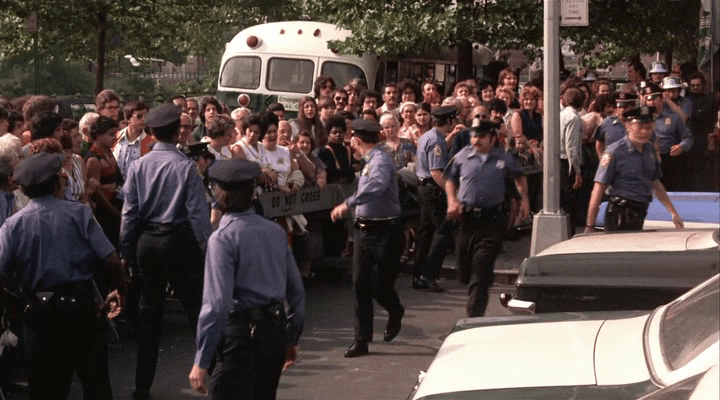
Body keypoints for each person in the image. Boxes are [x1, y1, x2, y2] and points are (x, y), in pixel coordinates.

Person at [0, 152, 128, 399]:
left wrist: (14, 305)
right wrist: (119, 289)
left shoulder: (12, 226)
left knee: (44, 389)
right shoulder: (79, 214)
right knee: (96, 384)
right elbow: (111, 259)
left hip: (39, 315)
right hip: (81, 310)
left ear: (24, 189)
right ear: (57, 183)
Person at [188, 159, 305, 398]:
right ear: (252, 192)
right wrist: (291, 338)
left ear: (218, 194)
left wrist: (202, 359)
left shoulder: (222, 238)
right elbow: (296, 292)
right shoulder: (275, 231)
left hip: (241, 336)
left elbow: (216, 305)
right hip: (273, 332)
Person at [120, 104, 211, 399]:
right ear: (176, 134)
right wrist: (207, 251)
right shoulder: (185, 167)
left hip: (148, 241)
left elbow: (129, 213)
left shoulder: (138, 166)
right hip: (179, 241)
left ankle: (142, 385)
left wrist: (126, 251)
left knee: (150, 314)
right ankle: (215, 373)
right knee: (196, 310)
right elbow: (198, 215)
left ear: (152, 133)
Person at [330, 119, 405, 358]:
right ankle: (361, 339)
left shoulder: (380, 161)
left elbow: (376, 187)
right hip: (364, 230)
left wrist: (348, 203)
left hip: (385, 232)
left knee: (380, 285)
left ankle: (394, 309)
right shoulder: (369, 161)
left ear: (356, 140)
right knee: (360, 285)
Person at [444, 121, 528, 317]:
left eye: (481, 136)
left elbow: (519, 176)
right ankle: (478, 283)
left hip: (492, 221)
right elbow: (450, 179)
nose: (476, 140)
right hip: (467, 220)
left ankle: (474, 314)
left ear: (492, 138)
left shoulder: (503, 157)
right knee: (464, 269)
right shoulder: (462, 156)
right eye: (474, 136)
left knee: (481, 266)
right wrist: (452, 201)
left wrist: (524, 199)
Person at [586, 106, 684, 232]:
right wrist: (590, 225)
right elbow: (598, 189)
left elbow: (655, 182)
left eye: (649, 127)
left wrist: (673, 212)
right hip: (620, 213)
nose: (645, 132)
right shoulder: (614, 152)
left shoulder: (650, 150)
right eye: (640, 127)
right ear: (628, 126)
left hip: (640, 211)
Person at [413, 106, 457, 292]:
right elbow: (436, 171)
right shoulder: (436, 141)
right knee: (442, 232)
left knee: (425, 232)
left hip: (424, 188)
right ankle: (429, 275)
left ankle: (418, 275)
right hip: (433, 189)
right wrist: (451, 194)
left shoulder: (428, 136)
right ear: (449, 121)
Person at [641, 82, 693, 191]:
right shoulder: (639, 119)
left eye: (654, 99)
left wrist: (681, 147)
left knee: (670, 192)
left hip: (668, 160)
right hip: (646, 160)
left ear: (661, 99)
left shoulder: (674, 117)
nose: (650, 102)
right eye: (648, 99)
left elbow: (688, 137)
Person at [559, 88, 585, 233]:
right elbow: (571, 147)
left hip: (559, 161)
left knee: (563, 201)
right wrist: (577, 171)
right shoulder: (574, 118)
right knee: (571, 204)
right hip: (567, 163)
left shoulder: (561, 114)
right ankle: (570, 233)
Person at [113, 101, 153, 181]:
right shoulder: (115, 137)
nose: (143, 119)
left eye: (146, 116)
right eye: (139, 116)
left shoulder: (151, 142)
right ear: (128, 118)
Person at [594, 92, 638, 157]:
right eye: (620, 107)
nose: (622, 110)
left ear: (633, 107)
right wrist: (602, 160)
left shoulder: (641, 125)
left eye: (625, 107)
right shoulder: (607, 123)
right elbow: (599, 145)